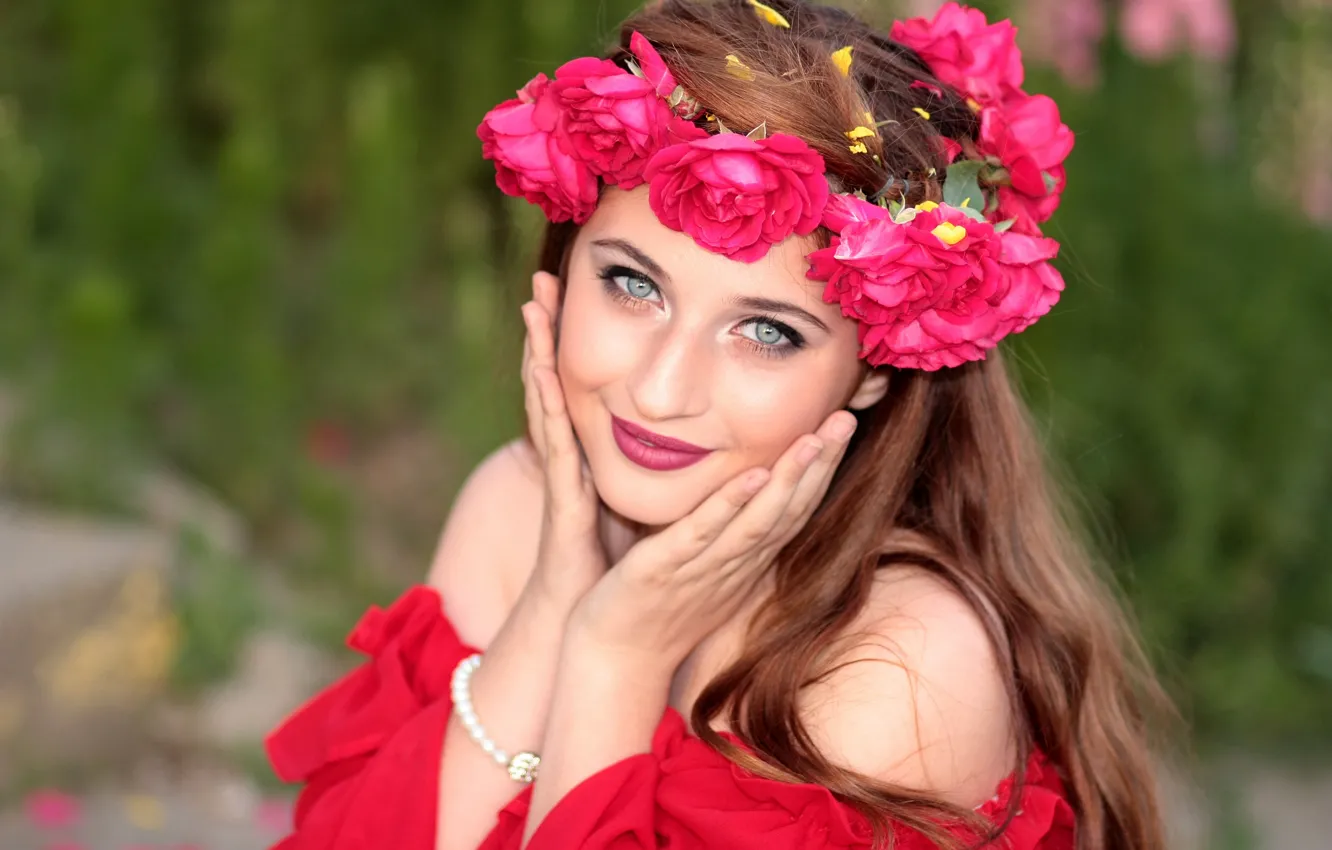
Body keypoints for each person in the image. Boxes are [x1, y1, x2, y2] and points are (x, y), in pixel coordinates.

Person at [265, 1, 1170, 848]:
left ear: (874, 374)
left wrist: (615, 655)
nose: (661, 392)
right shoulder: (519, 510)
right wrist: (552, 604)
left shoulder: (898, 663)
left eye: (766, 333)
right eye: (632, 284)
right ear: (563, 267)